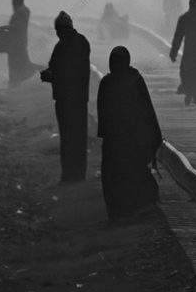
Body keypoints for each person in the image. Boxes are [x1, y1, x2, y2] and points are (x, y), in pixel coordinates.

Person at [96, 46, 163, 221]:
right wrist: (153, 135)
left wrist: (106, 133)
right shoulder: (135, 80)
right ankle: (135, 209)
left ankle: (118, 214)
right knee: (133, 172)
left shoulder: (107, 83)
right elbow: (147, 109)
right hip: (132, 138)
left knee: (114, 176)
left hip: (114, 140)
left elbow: (102, 113)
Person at [40, 11, 91, 184]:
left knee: (67, 137)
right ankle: (79, 174)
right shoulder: (83, 42)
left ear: (59, 30)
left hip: (64, 99)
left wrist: (47, 75)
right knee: (79, 136)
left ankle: (68, 175)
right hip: (80, 98)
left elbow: (58, 72)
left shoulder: (61, 47)